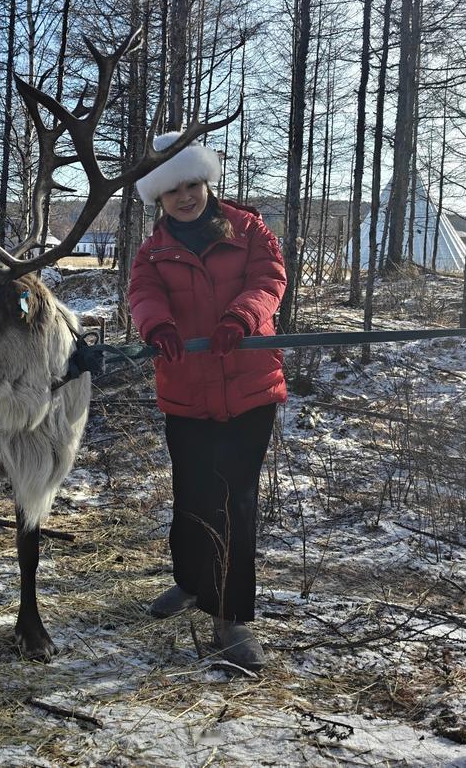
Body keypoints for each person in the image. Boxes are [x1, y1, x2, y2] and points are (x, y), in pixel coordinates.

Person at [128, 131, 287, 672]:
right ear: (159, 199)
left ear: (206, 183)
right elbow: (142, 294)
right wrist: (157, 325)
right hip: (186, 389)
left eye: (191, 185)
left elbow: (269, 279)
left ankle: (231, 616)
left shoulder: (249, 230)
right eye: (172, 191)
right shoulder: (152, 251)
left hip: (248, 389)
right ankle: (191, 582)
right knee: (192, 494)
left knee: (234, 502)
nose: (185, 197)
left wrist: (242, 317)